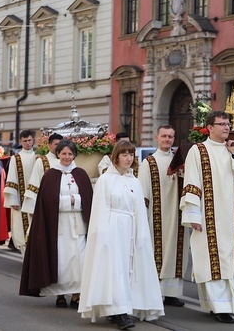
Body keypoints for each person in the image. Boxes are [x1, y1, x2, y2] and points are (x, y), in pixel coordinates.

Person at [78, 140, 164, 329]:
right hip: (113, 229)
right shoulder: (105, 180)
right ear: (115, 157)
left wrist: (142, 234)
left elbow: (139, 209)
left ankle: (128, 305)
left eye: (131, 155)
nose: (128, 158)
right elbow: (101, 209)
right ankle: (119, 312)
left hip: (132, 228)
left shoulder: (134, 181)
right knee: (114, 269)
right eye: (124, 154)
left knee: (129, 269)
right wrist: (103, 236)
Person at [180, 111, 234, 324]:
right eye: (221, 124)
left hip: (231, 215)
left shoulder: (232, 149)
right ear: (209, 127)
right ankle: (219, 306)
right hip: (208, 215)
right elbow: (192, 181)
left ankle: (228, 303)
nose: (226, 127)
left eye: (228, 124)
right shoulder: (198, 150)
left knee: (231, 257)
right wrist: (193, 213)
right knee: (213, 259)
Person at [19, 140, 93, 308]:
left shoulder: (81, 174)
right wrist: (72, 201)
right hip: (58, 227)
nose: (67, 157)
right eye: (64, 153)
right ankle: (59, 295)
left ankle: (77, 294)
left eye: (70, 154)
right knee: (61, 261)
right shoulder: (50, 175)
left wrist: (71, 201)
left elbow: (89, 199)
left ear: (74, 155)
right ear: (58, 154)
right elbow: (48, 202)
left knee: (79, 261)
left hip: (79, 225)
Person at [138, 125, 190, 307]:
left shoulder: (181, 161)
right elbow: (142, 191)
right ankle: (155, 292)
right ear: (157, 138)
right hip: (156, 215)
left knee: (176, 252)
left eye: (171, 136)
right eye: (164, 136)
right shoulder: (149, 162)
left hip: (178, 215)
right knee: (156, 252)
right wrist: (142, 216)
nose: (167, 139)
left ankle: (171, 293)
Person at [3, 130, 37, 255]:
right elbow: (11, 179)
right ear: (20, 142)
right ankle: (25, 256)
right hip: (20, 199)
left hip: (35, 198)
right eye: (25, 141)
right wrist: (13, 200)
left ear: (33, 140)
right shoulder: (15, 158)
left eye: (29, 140)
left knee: (35, 227)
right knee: (21, 230)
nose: (27, 143)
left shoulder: (38, 156)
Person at [21, 133, 63, 214]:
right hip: (47, 204)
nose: (59, 147)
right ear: (49, 145)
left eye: (61, 144)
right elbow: (34, 184)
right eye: (56, 144)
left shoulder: (67, 161)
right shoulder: (42, 161)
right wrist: (32, 209)